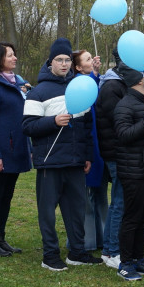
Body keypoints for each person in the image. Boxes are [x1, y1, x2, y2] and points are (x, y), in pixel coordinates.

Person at [21, 38, 98, 271]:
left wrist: (87, 156)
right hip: (50, 162)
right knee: (48, 212)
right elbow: (28, 126)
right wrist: (53, 121)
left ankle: (77, 252)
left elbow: (86, 128)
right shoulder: (37, 92)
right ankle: (50, 255)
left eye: (67, 60)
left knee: (76, 210)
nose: (64, 64)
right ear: (50, 62)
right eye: (59, 60)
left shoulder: (79, 88)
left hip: (75, 161)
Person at [0, 41, 32, 257]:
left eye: (14, 54)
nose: (15, 58)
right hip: (1, 153)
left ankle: (0, 238)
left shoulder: (13, 83)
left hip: (14, 150)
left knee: (6, 196)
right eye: (10, 55)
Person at [113, 63, 144, 281]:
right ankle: (125, 263)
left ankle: (138, 259)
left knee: (143, 217)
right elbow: (124, 135)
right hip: (133, 171)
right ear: (139, 80)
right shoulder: (124, 105)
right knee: (132, 218)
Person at [93, 48, 130, 268]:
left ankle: (109, 249)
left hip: (120, 150)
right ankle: (112, 250)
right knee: (119, 202)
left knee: (119, 201)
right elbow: (119, 120)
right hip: (116, 151)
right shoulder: (112, 86)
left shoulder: (120, 84)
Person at [73, 50, 107, 258]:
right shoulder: (78, 83)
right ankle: (87, 239)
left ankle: (102, 236)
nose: (92, 59)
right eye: (87, 59)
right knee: (86, 195)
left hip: (98, 141)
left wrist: (95, 73)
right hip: (87, 142)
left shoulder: (94, 80)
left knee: (100, 193)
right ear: (78, 67)